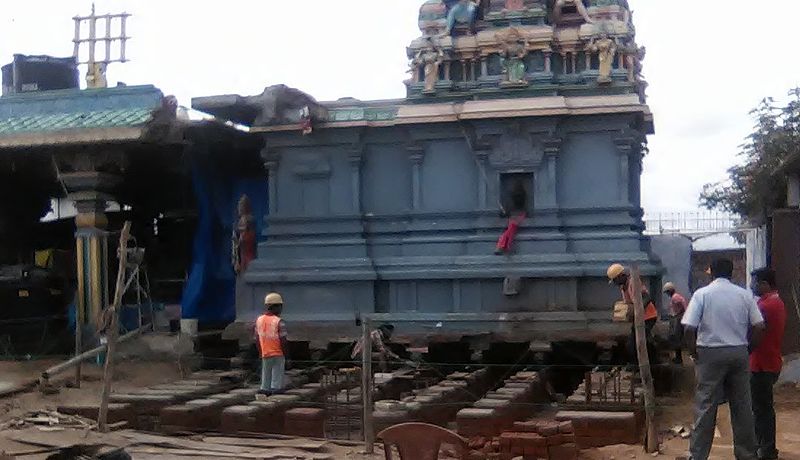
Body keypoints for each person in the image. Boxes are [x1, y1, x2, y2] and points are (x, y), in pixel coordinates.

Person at [681, 258, 766, 460]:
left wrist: (694, 353)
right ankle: (746, 455)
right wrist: (748, 349)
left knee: (706, 406)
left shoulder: (702, 295)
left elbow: (689, 328)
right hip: (738, 352)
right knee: (742, 406)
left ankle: (698, 455)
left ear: (711, 273)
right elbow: (760, 326)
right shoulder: (745, 295)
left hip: (710, 352)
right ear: (732, 273)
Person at [749, 268, 787, 460]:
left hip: (761, 364)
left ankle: (766, 449)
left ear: (764, 284)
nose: (752, 286)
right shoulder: (776, 302)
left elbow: (753, 330)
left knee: (761, 410)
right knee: (763, 408)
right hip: (770, 361)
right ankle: (764, 447)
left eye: (754, 282)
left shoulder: (765, 306)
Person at [607, 263, 658, 365]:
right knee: (633, 342)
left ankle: (649, 363)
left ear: (620, 276)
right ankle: (638, 364)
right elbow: (629, 303)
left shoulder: (633, 283)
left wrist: (638, 310)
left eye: (615, 280)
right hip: (640, 318)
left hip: (648, 316)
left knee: (639, 341)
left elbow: (647, 297)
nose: (615, 283)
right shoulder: (624, 287)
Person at [255, 292, 289, 395]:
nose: (281, 309)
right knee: (277, 375)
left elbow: (257, 338)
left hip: (265, 352)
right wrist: (287, 355)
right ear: (276, 306)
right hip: (277, 353)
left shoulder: (259, 320)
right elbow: (283, 340)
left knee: (266, 374)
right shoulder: (279, 321)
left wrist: (260, 352)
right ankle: (276, 391)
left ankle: (264, 389)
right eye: (280, 306)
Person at [495, 182, 527, 255]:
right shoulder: (519, 195)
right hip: (516, 215)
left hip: (519, 215)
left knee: (510, 229)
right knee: (510, 230)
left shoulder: (517, 195)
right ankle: (505, 246)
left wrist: (506, 213)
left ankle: (502, 246)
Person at [663, 282, 688, 364]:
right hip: (679, 317)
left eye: (667, 292)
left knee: (677, 337)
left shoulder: (675, 297)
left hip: (679, 318)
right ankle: (678, 357)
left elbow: (682, 305)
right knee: (676, 337)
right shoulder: (675, 297)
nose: (667, 294)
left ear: (670, 291)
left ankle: (679, 358)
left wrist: (679, 315)